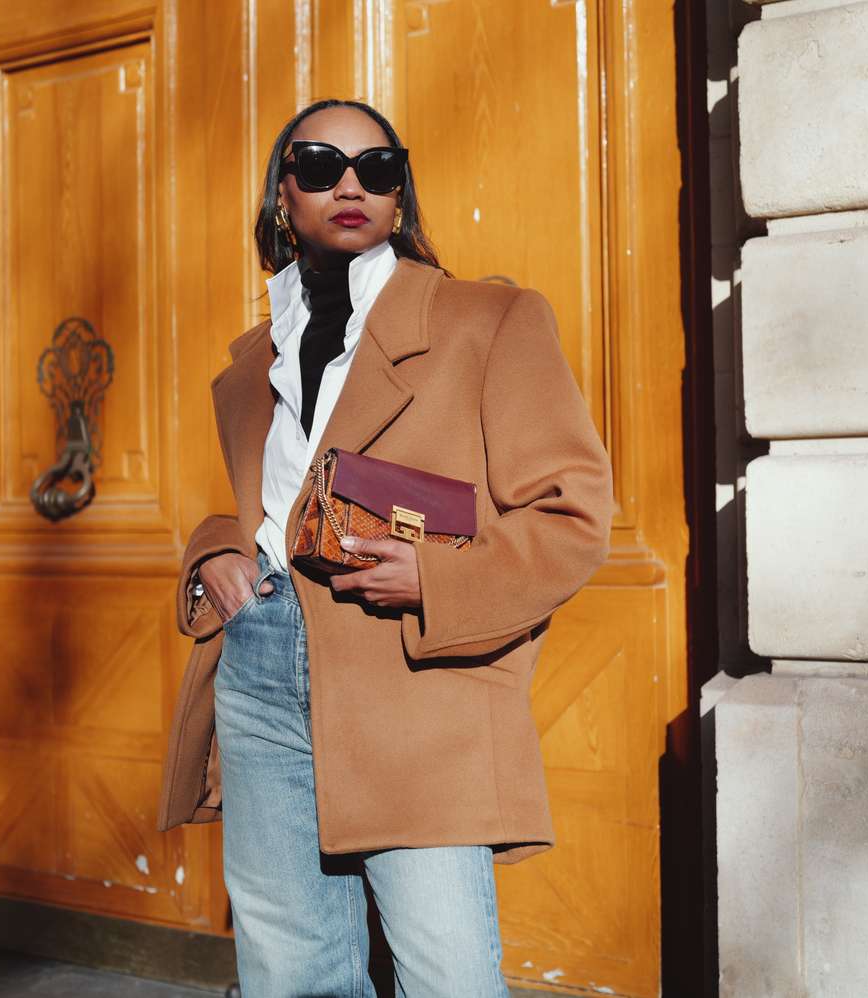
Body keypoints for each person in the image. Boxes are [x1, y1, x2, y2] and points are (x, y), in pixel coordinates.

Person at [158, 98, 615, 998]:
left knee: (448, 977)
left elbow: (572, 516)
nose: (350, 185)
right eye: (319, 165)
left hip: (414, 679)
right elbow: (272, 506)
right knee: (292, 974)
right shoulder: (254, 362)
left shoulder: (488, 321)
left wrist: (438, 581)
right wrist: (216, 553)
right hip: (259, 666)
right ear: (282, 195)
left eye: (377, 168)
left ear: (400, 194)